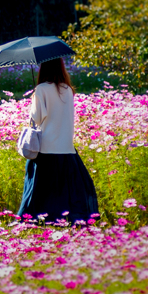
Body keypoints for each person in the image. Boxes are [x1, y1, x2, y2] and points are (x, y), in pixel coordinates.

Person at [17, 57, 98, 223]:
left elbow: (37, 118)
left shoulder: (41, 89)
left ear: (44, 67)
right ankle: (66, 222)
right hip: (67, 149)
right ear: (61, 66)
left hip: (46, 149)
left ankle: (35, 222)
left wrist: (34, 100)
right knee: (66, 193)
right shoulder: (67, 89)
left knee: (39, 193)